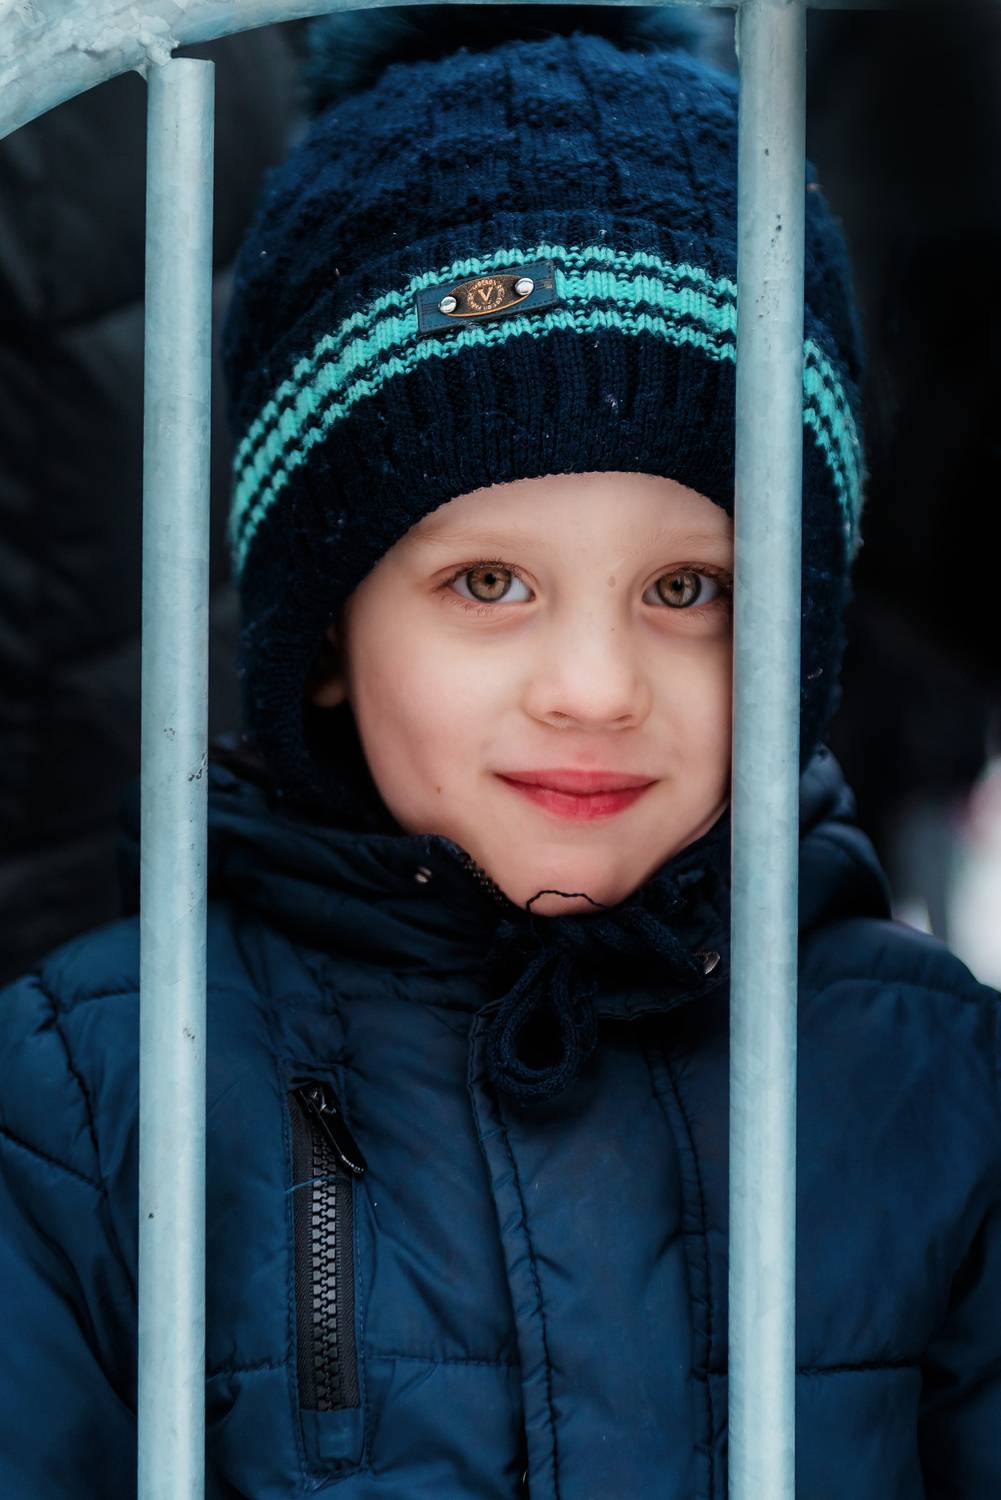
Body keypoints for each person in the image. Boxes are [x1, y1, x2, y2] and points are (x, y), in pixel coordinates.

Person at [1, 10, 998, 1497]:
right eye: (487, 583)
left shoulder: (933, 1084)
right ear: (324, 632)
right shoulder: (102, 1092)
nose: (593, 690)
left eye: (689, 589)